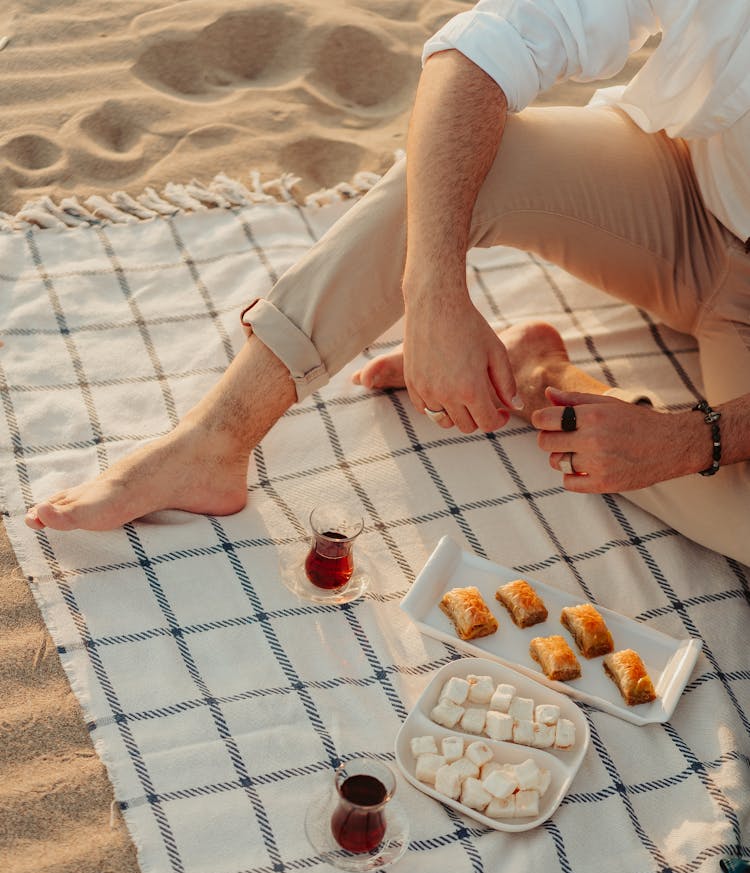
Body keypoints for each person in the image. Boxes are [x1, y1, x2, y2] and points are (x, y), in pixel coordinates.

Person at [24, 0, 750, 566]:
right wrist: (433, 293)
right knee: (470, 157)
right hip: (685, 201)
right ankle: (214, 438)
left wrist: (698, 438)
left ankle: (541, 378)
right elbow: (484, 48)